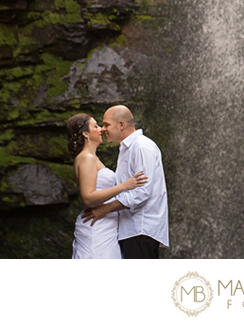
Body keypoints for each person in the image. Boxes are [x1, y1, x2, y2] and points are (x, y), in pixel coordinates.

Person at [82, 105, 169, 258]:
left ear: (121, 124)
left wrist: (104, 209)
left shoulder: (142, 147)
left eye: (106, 124)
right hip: (130, 230)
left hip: (141, 229)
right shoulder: (127, 149)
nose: (103, 129)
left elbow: (142, 192)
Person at [66, 113, 148, 259]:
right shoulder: (86, 158)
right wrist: (124, 186)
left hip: (106, 226)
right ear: (86, 133)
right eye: (96, 126)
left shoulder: (91, 157)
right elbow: (88, 197)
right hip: (97, 227)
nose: (101, 129)